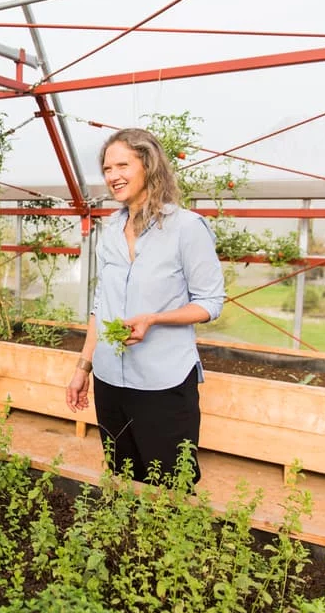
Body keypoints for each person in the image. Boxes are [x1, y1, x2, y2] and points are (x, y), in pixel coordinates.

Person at [65, 128, 225, 485]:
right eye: (107, 169)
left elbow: (211, 302)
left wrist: (155, 319)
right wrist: (83, 368)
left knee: (171, 484)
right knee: (123, 478)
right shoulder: (111, 229)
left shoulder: (186, 228)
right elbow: (100, 304)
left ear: (148, 165)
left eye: (122, 165)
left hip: (163, 382)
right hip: (110, 379)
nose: (113, 176)